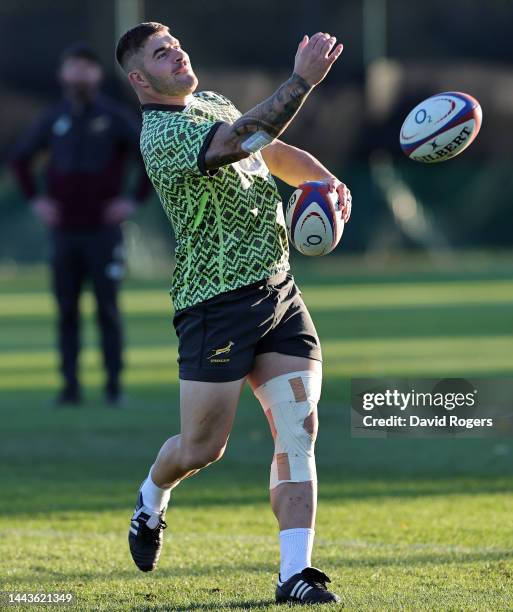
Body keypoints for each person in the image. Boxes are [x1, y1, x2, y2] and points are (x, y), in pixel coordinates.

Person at [115, 22, 351, 604]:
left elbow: (269, 149)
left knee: (299, 433)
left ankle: (294, 573)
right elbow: (242, 137)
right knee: (202, 449)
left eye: (176, 44)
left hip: (279, 294)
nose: (178, 53)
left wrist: (324, 181)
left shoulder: (212, 101)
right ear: (141, 79)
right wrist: (302, 81)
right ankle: (151, 497)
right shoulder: (161, 136)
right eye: (161, 53)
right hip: (213, 308)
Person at [10, 43, 151, 406]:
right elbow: (21, 161)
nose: (79, 74)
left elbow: (149, 157)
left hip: (103, 232)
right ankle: (69, 388)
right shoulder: (53, 118)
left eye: (86, 67)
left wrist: (130, 201)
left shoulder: (114, 116)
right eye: (73, 67)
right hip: (64, 233)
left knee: (107, 308)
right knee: (67, 310)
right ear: (63, 74)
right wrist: (36, 201)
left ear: (97, 75)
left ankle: (114, 388)